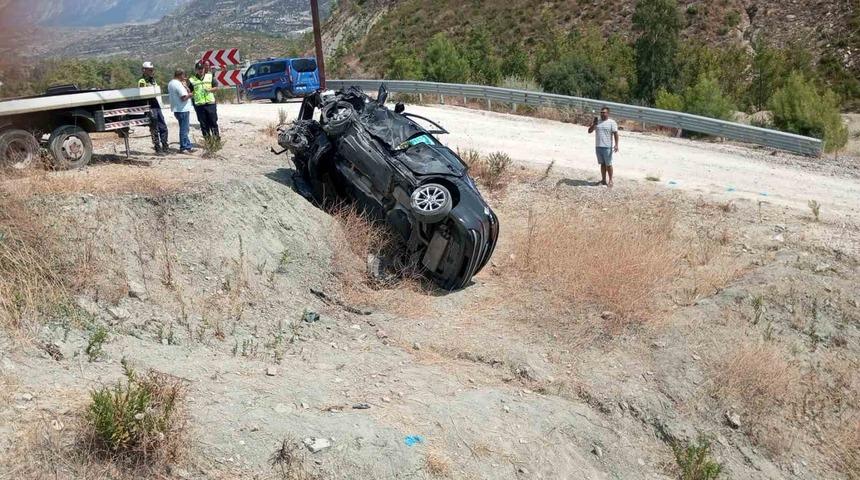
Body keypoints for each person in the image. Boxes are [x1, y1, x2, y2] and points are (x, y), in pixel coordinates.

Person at [138, 61, 170, 155]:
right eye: (150, 70)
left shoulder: (153, 80)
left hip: (156, 105)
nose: (152, 72)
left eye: (152, 70)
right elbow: (143, 93)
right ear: (144, 70)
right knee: (154, 127)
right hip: (149, 106)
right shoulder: (142, 81)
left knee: (163, 126)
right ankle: (157, 147)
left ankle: (165, 145)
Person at [587, 106, 619, 187]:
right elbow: (589, 131)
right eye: (601, 112)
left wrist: (616, 145)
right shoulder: (597, 122)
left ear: (608, 113)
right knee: (602, 164)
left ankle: (611, 180)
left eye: (604, 112)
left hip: (607, 147)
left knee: (608, 164)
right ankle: (603, 180)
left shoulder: (612, 122)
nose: (602, 114)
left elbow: (615, 133)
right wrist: (594, 124)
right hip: (598, 146)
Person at [188, 61, 220, 139]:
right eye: (199, 69)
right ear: (196, 70)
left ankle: (216, 141)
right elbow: (190, 91)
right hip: (199, 105)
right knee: (204, 125)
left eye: (201, 68)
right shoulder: (192, 80)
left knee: (213, 122)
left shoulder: (209, 76)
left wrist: (210, 90)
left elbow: (216, 87)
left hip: (210, 103)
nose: (200, 70)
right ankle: (208, 142)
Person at [167, 68, 195, 154]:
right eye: (184, 75)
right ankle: (183, 147)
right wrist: (192, 94)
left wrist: (185, 86)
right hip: (182, 109)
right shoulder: (178, 84)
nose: (185, 77)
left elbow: (185, 92)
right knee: (184, 129)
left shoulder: (171, 83)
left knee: (185, 128)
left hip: (177, 109)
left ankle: (188, 145)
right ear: (180, 75)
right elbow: (183, 97)